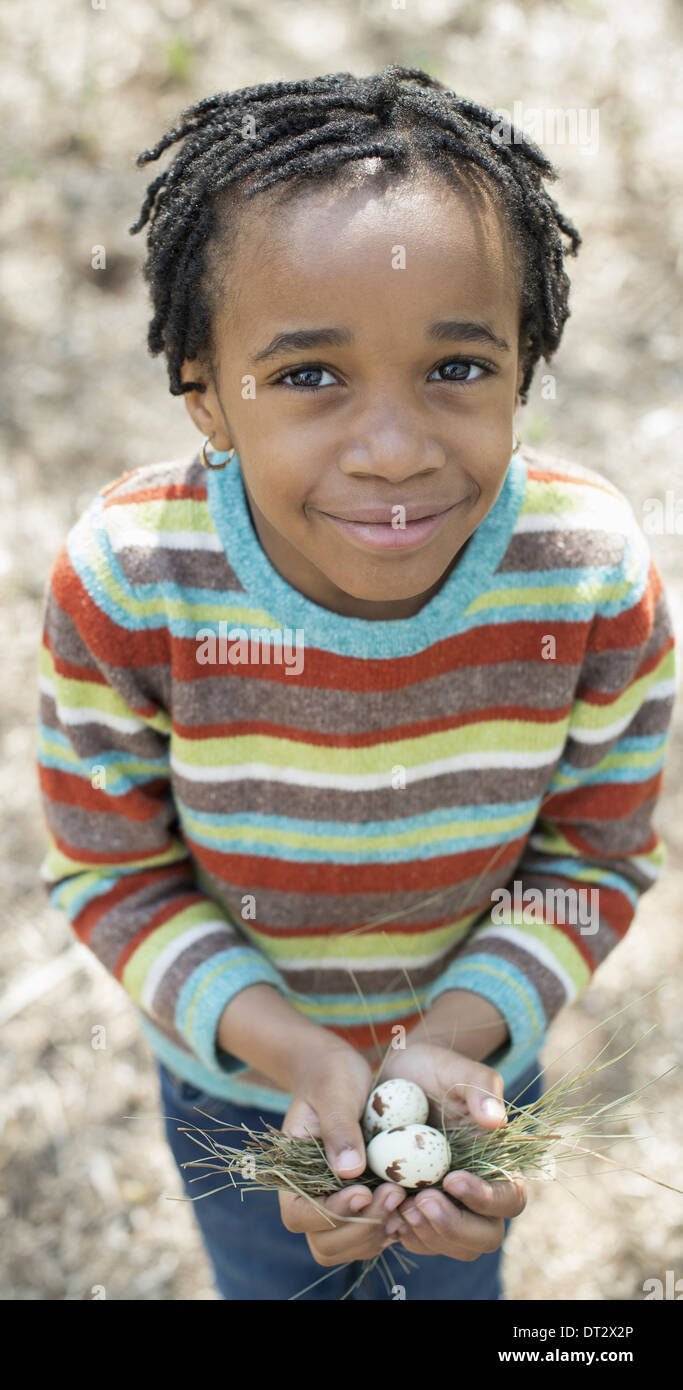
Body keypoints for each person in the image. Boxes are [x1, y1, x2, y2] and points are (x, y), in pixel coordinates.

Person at [36, 66, 675, 1299]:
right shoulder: (130, 583)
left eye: (457, 368)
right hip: (235, 1075)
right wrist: (300, 1061)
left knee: (447, 1286)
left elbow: (593, 858)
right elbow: (110, 869)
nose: (393, 447)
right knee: (280, 1282)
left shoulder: (588, 576)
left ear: (527, 364)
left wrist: (453, 1043)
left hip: (477, 1054)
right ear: (206, 395)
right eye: (310, 377)